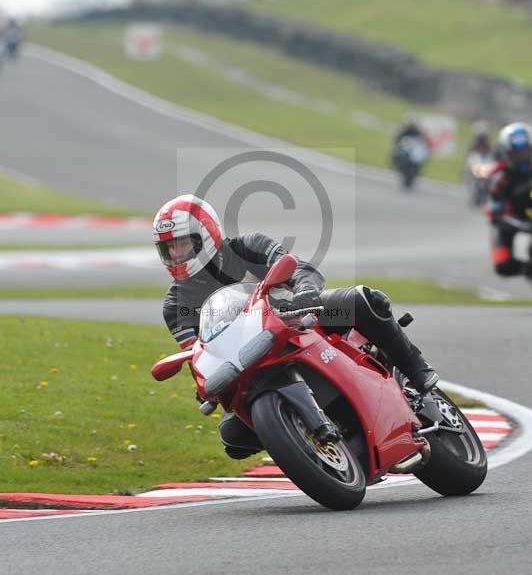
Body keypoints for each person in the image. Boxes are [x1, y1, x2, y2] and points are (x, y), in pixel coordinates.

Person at [154, 194, 439, 459]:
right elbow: (198, 353)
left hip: (299, 321)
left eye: (182, 244)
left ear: (206, 234)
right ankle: (302, 440)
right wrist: (203, 381)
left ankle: (417, 370)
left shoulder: (247, 247)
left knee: (361, 300)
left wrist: (304, 290)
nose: (176, 254)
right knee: (234, 438)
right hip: (246, 363)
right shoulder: (174, 305)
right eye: (169, 248)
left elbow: (300, 267)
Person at [485, 122, 532, 278]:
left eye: (526, 152)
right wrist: (522, 224)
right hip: (509, 220)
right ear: (506, 152)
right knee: (503, 266)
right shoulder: (499, 177)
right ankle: (526, 270)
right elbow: (493, 212)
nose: (522, 158)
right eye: (516, 154)